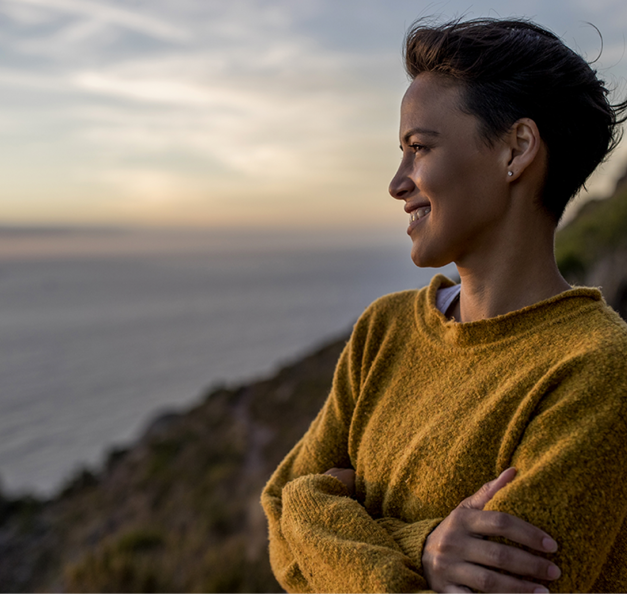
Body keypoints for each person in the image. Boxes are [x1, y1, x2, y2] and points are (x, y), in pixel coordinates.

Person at [261, 18, 627, 594]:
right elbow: (281, 509)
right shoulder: (383, 331)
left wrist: (319, 513)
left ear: (517, 148)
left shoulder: (597, 370)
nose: (397, 182)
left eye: (418, 148)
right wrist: (422, 548)